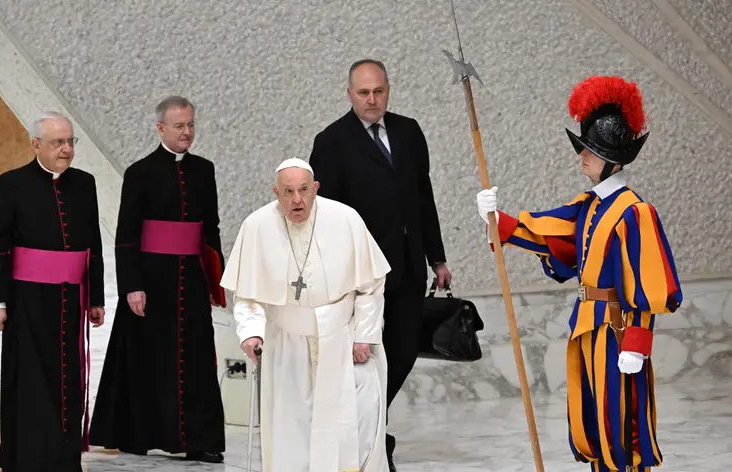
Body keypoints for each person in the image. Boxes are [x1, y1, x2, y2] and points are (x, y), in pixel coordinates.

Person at [475, 75, 683, 472]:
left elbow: (648, 287)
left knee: (622, 425)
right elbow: (548, 234)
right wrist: (495, 218)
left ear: (615, 160)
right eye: (584, 147)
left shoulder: (634, 212)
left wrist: (636, 344)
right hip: (587, 327)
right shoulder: (589, 206)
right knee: (592, 421)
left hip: (618, 332)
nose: (582, 156)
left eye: (592, 150)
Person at [308, 58, 451, 470]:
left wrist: (436, 256)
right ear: (349, 93)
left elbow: (423, 196)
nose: (372, 100)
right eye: (364, 93)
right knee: (365, 356)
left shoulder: (409, 131)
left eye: (379, 91)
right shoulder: (331, 141)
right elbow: (324, 215)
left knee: (404, 350)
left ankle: (370, 426)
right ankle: (368, 440)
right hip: (360, 273)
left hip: (407, 264)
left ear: (389, 89)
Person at [220, 158, 391, 472]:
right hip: (286, 346)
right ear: (276, 192)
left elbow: (371, 284)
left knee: (352, 429)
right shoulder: (256, 226)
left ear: (315, 189)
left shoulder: (346, 219)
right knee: (292, 432)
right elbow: (247, 295)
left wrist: (364, 335)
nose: (296, 200)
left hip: (342, 340)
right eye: (288, 192)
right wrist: (251, 332)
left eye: (303, 191)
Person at [89, 95, 226, 463]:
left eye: (191, 125)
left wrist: (216, 279)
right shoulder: (140, 172)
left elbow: (210, 229)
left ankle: (200, 439)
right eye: (179, 126)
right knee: (149, 360)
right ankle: (139, 433)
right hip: (152, 281)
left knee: (197, 360)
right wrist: (132, 285)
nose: (187, 132)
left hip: (192, 281)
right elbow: (127, 234)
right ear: (160, 128)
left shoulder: (204, 169)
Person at [0, 111, 106, 472]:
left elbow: (92, 245)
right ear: (36, 144)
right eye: (57, 143)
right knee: (32, 380)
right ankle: (30, 459)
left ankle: (65, 459)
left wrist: (95, 297)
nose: (66, 149)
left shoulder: (85, 183)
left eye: (70, 142)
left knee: (68, 381)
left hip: (72, 302)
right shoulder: (10, 184)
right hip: (27, 301)